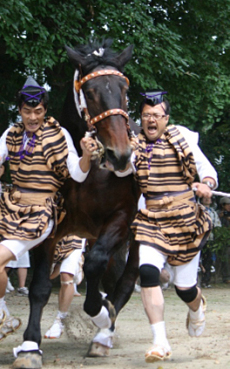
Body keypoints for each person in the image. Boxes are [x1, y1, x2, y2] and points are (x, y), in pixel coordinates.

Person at [0, 76, 98, 348]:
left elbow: (77, 173)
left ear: (45, 110)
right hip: (9, 209)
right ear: (19, 110)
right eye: (27, 111)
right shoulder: (11, 133)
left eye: (38, 111)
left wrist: (87, 156)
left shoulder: (59, 134)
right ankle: (3, 311)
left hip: (40, 212)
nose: (32, 117)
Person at [120, 90, 218, 363]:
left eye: (156, 115)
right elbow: (119, 169)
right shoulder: (134, 145)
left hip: (186, 220)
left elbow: (208, 171)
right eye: (146, 115)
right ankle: (159, 341)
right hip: (151, 220)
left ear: (166, 118)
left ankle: (197, 309)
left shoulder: (182, 137)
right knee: (148, 272)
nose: (151, 120)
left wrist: (206, 185)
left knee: (184, 289)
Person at [0, 165, 31, 296]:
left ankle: (21, 287)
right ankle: (1, 281)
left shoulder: (8, 187)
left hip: (10, 223)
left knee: (21, 253)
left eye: (0, 167)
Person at [44, 236, 85, 339]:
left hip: (75, 235)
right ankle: (72, 263)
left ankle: (60, 320)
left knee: (66, 277)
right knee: (49, 276)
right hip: (54, 236)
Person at [200, 197, 221, 288]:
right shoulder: (198, 209)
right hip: (199, 238)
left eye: (209, 198)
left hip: (210, 239)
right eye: (205, 198)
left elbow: (217, 224)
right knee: (198, 260)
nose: (207, 199)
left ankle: (206, 281)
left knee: (208, 260)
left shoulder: (213, 212)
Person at [218, 197, 230, 283]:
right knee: (225, 257)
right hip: (222, 240)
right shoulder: (218, 213)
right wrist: (220, 217)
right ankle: (226, 277)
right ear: (222, 205)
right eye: (227, 204)